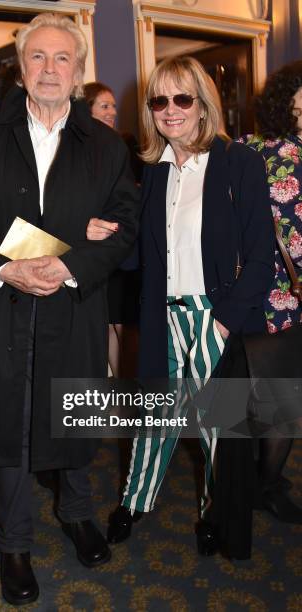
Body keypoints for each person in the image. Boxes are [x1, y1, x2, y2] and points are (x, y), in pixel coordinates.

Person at [0, 13, 139, 607]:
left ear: (78, 71)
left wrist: (71, 263)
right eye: (38, 58)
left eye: (62, 59)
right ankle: (15, 543)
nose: (50, 69)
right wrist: (7, 268)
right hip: (2, 305)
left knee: (72, 409)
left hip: (74, 303)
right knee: (13, 419)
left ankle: (76, 513)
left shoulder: (105, 143)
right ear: (21, 67)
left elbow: (124, 224)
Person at [87, 56, 275, 559]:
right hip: (160, 315)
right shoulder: (152, 171)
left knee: (215, 426)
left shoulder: (238, 162)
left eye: (182, 98)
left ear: (202, 104)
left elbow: (261, 258)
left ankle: (214, 512)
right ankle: (135, 501)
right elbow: (141, 254)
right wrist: (101, 235)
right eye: (159, 100)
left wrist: (224, 319)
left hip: (212, 316)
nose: (170, 110)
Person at [240, 60, 302, 524]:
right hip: (268, 294)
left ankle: (264, 482)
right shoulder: (251, 150)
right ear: (290, 102)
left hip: (266, 293)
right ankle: (263, 485)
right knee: (276, 400)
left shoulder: (246, 148)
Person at [84, 81, 141, 377]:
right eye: (104, 106)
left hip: (124, 249)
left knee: (122, 324)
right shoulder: (77, 147)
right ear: (87, 109)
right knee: (105, 324)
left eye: (114, 106)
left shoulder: (120, 144)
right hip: (94, 250)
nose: (112, 112)